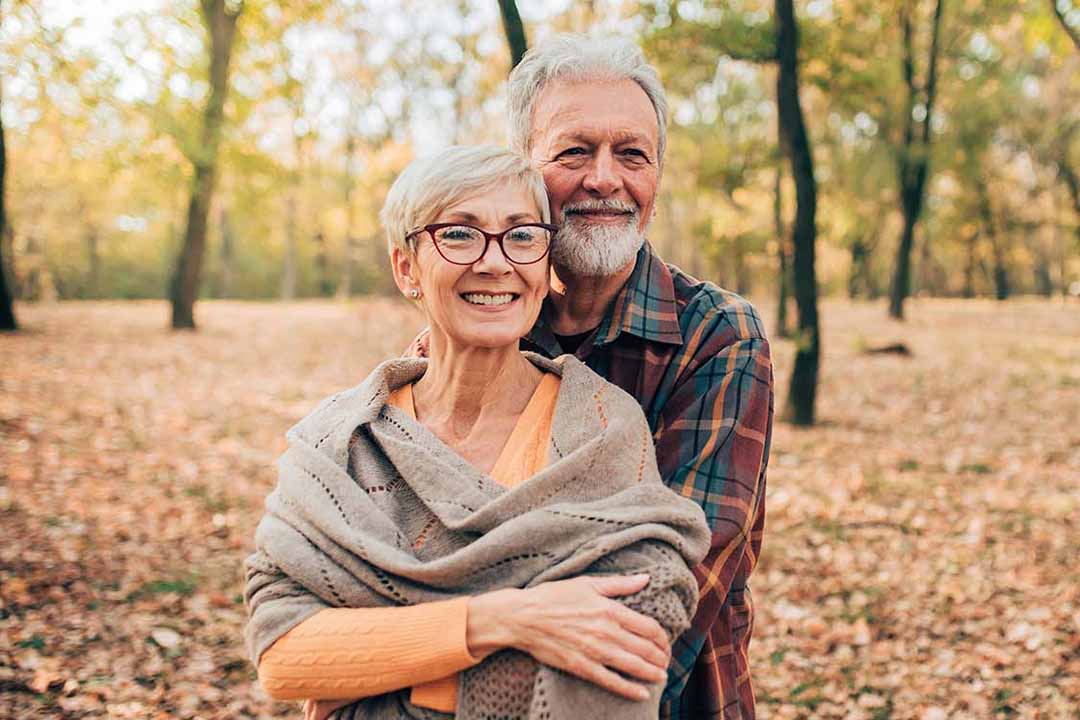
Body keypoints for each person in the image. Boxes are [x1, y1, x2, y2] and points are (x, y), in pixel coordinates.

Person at [244, 145, 712, 720]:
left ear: (545, 267)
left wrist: (378, 665)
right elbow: (284, 656)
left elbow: (624, 660)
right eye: (460, 235)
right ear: (406, 268)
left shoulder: (602, 428)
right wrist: (507, 621)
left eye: (521, 236)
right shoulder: (340, 442)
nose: (495, 263)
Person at [412, 36, 775, 719]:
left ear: (657, 181)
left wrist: (442, 646)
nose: (605, 178)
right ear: (523, 173)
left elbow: (670, 587)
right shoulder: (473, 327)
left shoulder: (717, 337)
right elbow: (403, 561)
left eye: (632, 154)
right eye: (574, 151)